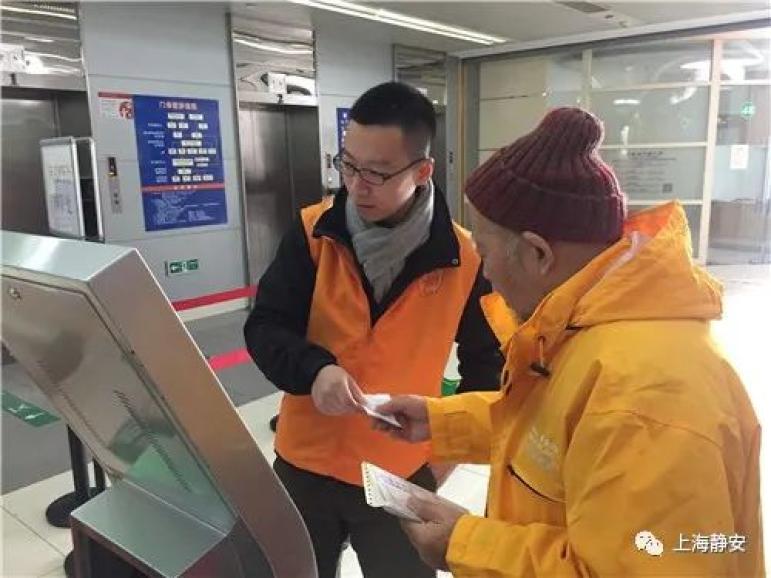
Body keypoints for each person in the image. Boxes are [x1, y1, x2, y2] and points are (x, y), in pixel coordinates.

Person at [376, 107, 764, 577]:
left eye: (485, 250)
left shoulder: (647, 397)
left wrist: (463, 544)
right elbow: (554, 431)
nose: (485, 271)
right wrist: (441, 422)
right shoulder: (588, 327)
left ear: (538, 253)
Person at [243, 81, 504, 578]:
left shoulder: (465, 258)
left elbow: (487, 366)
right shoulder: (314, 233)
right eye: (349, 165)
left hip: (399, 471)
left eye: (378, 172)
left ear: (422, 171)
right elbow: (266, 327)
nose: (358, 185)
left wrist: (444, 457)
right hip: (304, 463)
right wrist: (315, 371)